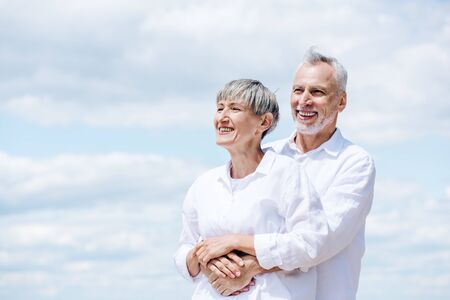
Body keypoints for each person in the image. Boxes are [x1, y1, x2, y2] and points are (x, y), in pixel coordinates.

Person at [202, 48, 376, 300]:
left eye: (317, 92)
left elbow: (320, 242)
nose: (304, 100)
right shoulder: (265, 154)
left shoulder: (354, 163)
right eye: (298, 90)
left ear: (341, 101)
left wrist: (249, 263)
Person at [173, 79, 328, 299]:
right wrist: (202, 259)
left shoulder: (286, 173)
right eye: (219, 108)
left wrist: (235, 242)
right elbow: (183, 250)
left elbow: (311, 244)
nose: (222, 117)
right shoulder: (204, 184)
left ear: (264, 122)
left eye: (235, 108)